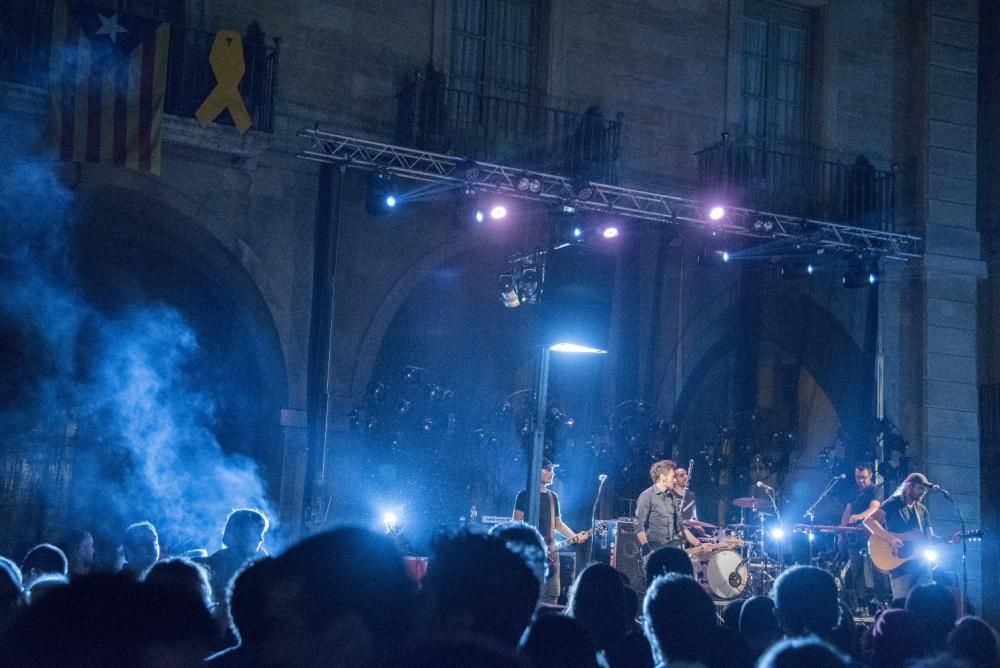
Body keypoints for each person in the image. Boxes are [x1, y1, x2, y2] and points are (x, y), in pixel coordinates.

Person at [863, 472, 957, 600]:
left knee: (927, 601)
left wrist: (950, 540)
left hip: (921, 563)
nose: (922, 493)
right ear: (909, 486)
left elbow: (929, 538)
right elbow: (869, 521)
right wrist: (892, 539)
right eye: (920, 488)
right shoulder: (893, 503)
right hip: (899, 564)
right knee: (901, 604)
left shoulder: (922, 510)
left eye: (924, 490)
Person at [512, 458, 584, 605]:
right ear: (536, 471)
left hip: (551, 554)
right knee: (527, 595)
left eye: (552, 470)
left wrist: (575, 537)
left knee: (551, 596)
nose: (552, 473)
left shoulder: (553, 497)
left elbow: (559, 524)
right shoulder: (524, 495)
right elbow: (515, 524)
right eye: (548, 470)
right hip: (530, 554)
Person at [197, 508, 269, 608]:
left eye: (262, 533)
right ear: (239, 532)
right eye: (257, 532)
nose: (261, 539)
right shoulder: (216, 563)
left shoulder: (263, 563)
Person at [839, 462, 884, 612]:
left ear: (870, 475)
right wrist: (842, 532)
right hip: (854, 536)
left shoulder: (876, 489)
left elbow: (874, 507)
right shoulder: (853, 490)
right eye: (858, 477)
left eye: (864, 477)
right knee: (857, 569)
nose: (861, 480)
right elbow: (847, 511)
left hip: (871, 534)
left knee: (876, 568)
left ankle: (880, 601)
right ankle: (861, 604)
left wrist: (859, 516)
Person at [635, 460, 698, 561]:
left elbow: (681, 528)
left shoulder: (672, 498)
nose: (674, 480)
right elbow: (639, 525)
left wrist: (699, 544)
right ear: (662, 477)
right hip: (654, 550)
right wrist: (647, 549)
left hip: (671, 550)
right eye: (672, 477)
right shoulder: (646, 496)